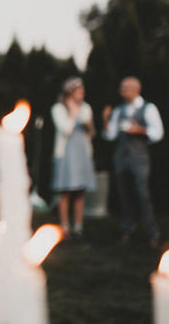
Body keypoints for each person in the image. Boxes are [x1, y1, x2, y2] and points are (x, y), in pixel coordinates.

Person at [102, 76, 164, 246]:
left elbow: (158, 132)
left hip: (140, 158)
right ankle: (127, 229)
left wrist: (140, 130)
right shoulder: (118, 110)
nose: (121, 90)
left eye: (124, 87)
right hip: (121, 157)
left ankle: (153, 234)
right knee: (125, 195)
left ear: (135, 89)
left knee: (143, 195)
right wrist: (105, 119)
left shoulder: (148, 108)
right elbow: (111, 135)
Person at [50, 77, 96, 239]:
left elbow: (91, 132)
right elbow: (66, 130)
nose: (82, 94)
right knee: (66, 190)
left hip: (83, 152)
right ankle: (64, 226)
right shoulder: (58, 109)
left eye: (82, 91)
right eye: (79, 91)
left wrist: (89, 125)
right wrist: (73, 113)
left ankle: (78, 226)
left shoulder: (87, 107)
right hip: (66, 153)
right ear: (70, 93)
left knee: (80, 190)